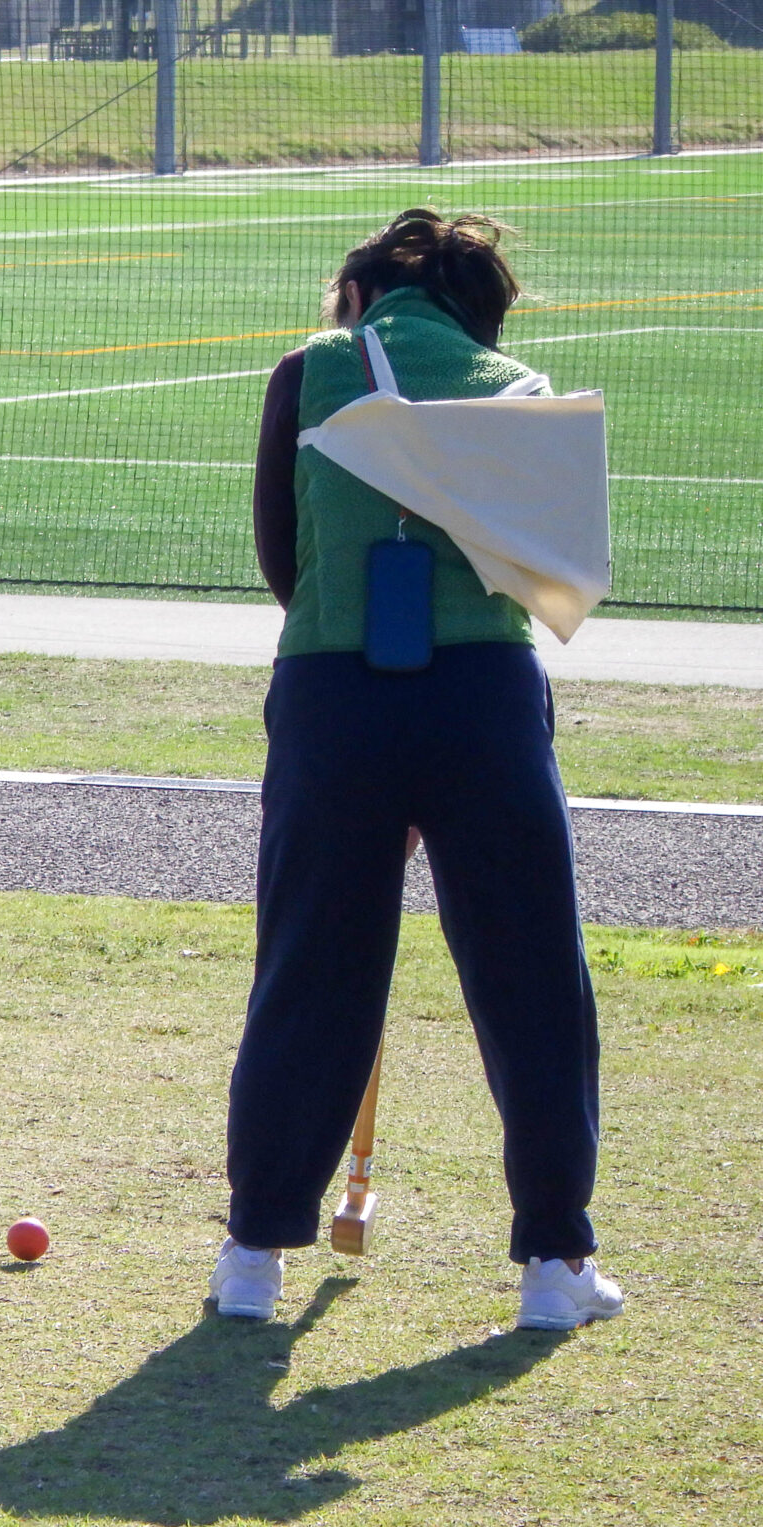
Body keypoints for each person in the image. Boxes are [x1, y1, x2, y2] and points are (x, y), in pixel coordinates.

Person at [214, 208, 621, 1332]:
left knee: (309, 968)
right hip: (482, 696)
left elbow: (276, 554)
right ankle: (553, 1260)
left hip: (332, 692)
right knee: (532, 977)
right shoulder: (520, 383)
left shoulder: (308, 370)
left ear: (359, 293)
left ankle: (253, 1254)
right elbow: (557, 559)